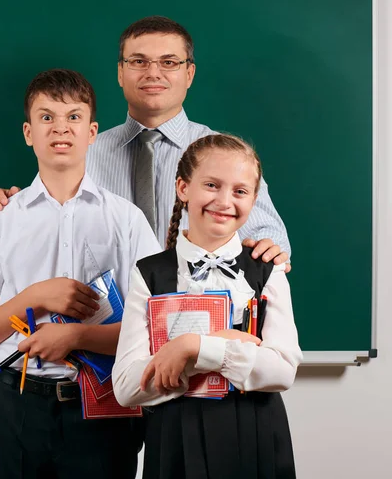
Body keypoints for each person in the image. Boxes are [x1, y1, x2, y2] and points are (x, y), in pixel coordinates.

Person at [0, 68, 161, 479]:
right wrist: (34, 296)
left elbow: (155, 329)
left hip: (104, 401)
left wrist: (77, 335)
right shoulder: (1, 220)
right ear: (29, 132)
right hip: (19, 401)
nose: (60, 128)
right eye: (46, 117)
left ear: (92, 132)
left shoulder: (126, 220)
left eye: (73, 117)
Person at [0, 16, 291, 268]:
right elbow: (49, 224)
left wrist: (269, 249)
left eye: (169, 62)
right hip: (104, 329)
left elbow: (269, 236)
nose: (153, 73)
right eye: (138, 62)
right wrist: (8, 206)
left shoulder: (223, 153)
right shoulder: (83, 151)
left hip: (199, 318)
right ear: (120, 72)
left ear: (190, 73)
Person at [112, 134, 302, 479]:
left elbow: (282, 370)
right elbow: (126, 387)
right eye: (212, 185)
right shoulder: (149, 273)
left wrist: (191, 348)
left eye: (240, 191)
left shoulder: (268, 269)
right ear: (183, 188)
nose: (224, 200)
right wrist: (231, 348)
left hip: (256, 433)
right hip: (173, 439)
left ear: (254, 200)